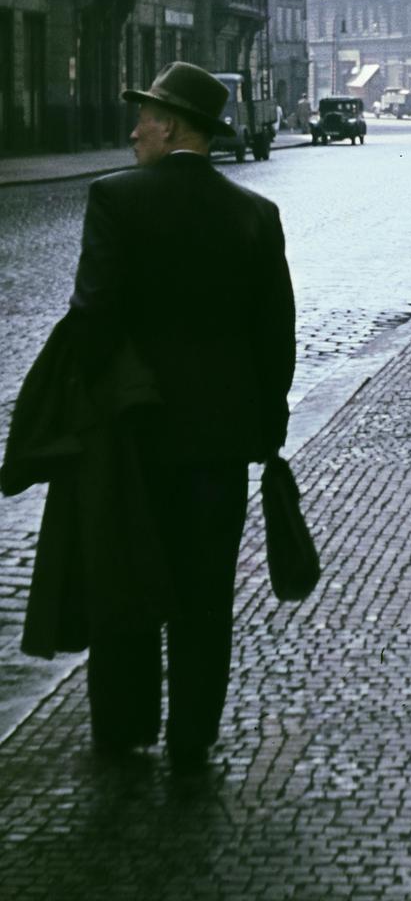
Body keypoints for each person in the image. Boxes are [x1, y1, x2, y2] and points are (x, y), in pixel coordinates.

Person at [21, 63, 296, 774]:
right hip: (220, 441)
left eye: (144, 117)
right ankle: (192, 735)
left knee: (126, 576)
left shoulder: (115, 198)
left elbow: (93, 317)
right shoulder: (254, 215)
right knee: (206, 595)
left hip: (133, 435)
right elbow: (277, 339)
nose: (134, 129)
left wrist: (97, 393)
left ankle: (124, 726)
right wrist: (264, 430)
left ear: (171, 126)